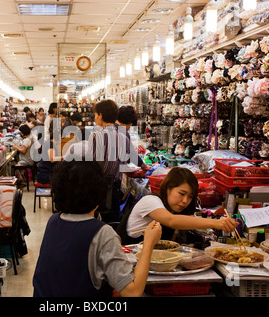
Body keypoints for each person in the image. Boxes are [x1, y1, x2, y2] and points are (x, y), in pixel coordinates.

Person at [32, 160, 162, 297]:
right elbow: (133, 292)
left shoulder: (53, 221)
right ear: (99, 193)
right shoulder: (102, 233)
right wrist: (148, 243)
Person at [117, 167, 238, 245]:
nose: (185, 201)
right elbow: (171, 221)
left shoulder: (175, 210)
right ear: (168, 188)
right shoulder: (150, 201)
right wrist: (217, 223)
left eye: (190, 196)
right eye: (181, 193)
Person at [115, 105, 150, 171]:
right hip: (113, 175)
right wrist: (144, 166)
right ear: (130, 123)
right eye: (130, 127)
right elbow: (131, 154)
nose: (128, 129)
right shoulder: (122, 132)